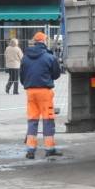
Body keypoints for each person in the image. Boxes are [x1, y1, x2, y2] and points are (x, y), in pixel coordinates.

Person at [20, 31, 62, 159]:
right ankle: (49, 149)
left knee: (32, 120)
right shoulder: (49, 57)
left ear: (35, 41)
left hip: (30, 92)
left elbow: (21, 76)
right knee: (47, 120)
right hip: (45, 92)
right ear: (44, 41)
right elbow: (56, 74)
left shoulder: (25, 56)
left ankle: (30, 150)